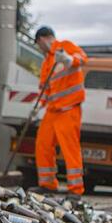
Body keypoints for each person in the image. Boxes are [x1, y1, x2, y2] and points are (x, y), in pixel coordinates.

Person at [33, 26, 88, 196]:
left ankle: (76, 189)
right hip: (53, 110)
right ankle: (47, 184)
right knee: (42, 145)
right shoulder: (46, 63)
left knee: (69, 148)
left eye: (38, 44)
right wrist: (37, 107)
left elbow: (82, 58)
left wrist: (68, 59)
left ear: (43, 39)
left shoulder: (65, 46)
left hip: (69, 108)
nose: (39, 48)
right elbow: (45, 89)